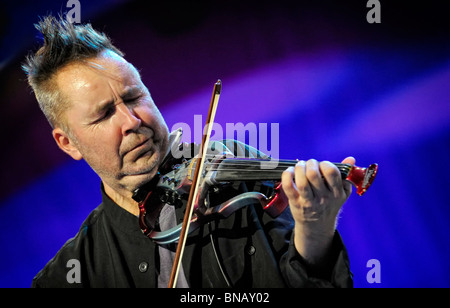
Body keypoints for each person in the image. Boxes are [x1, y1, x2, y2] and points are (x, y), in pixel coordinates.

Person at [23, 16, 354, 288]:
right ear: (67, 143)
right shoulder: (70, 274)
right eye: (105, 113)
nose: (132, 121)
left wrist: (315, 229)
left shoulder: (229, 166)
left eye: (135, 97)